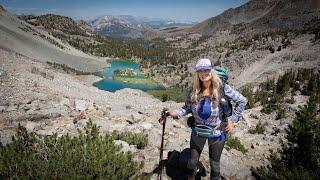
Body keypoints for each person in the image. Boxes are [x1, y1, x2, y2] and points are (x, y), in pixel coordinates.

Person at [160, 58, 247, 180]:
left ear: (211, 70)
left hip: (217, 133)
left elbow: (242, 101)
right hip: (198, 131)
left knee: (215, 166)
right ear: (197, 72)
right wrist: (173, 113)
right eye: (200, 70)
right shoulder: (194, 90)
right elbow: (187, 108)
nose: (203, 73)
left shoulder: (222, 88)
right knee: (191, 162)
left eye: (206, 69)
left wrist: (232, 119)